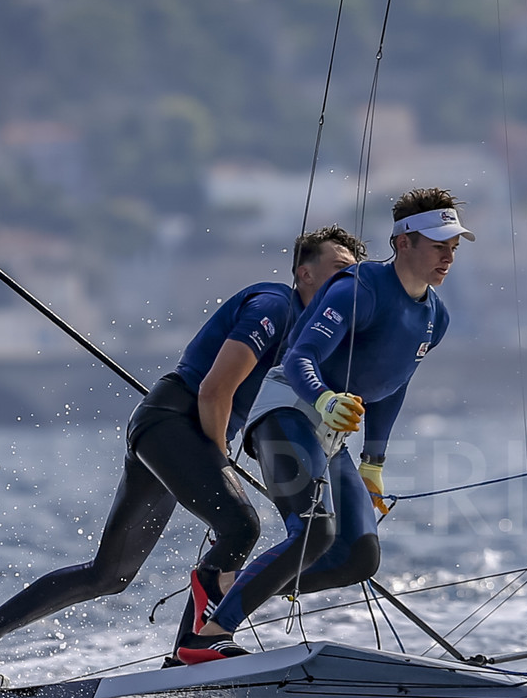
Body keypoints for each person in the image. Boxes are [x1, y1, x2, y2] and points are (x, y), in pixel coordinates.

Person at [0, 225, 367, 688]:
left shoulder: (314, 331)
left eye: (355, 277)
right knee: (241, 525)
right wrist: (220, 457)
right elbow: (214, 390)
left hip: (174, 435)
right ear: (304, 272)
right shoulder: (275, 305)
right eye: (340, 269)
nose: (347, 283)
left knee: (108, 575)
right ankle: (195, 647)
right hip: (172, 423)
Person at [175, 188, 472, 664]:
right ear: (403, 243)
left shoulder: (436, 316)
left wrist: (374, 462)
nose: (448, 256)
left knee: (357, 557)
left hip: (331, 437)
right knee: (314, 532)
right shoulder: (360, 288)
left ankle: (226, 587)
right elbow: (299, 358)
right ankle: (206, 637)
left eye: (453, 247)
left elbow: (392, 386)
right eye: (439, 245)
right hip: (287, 411)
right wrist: (325, 396)